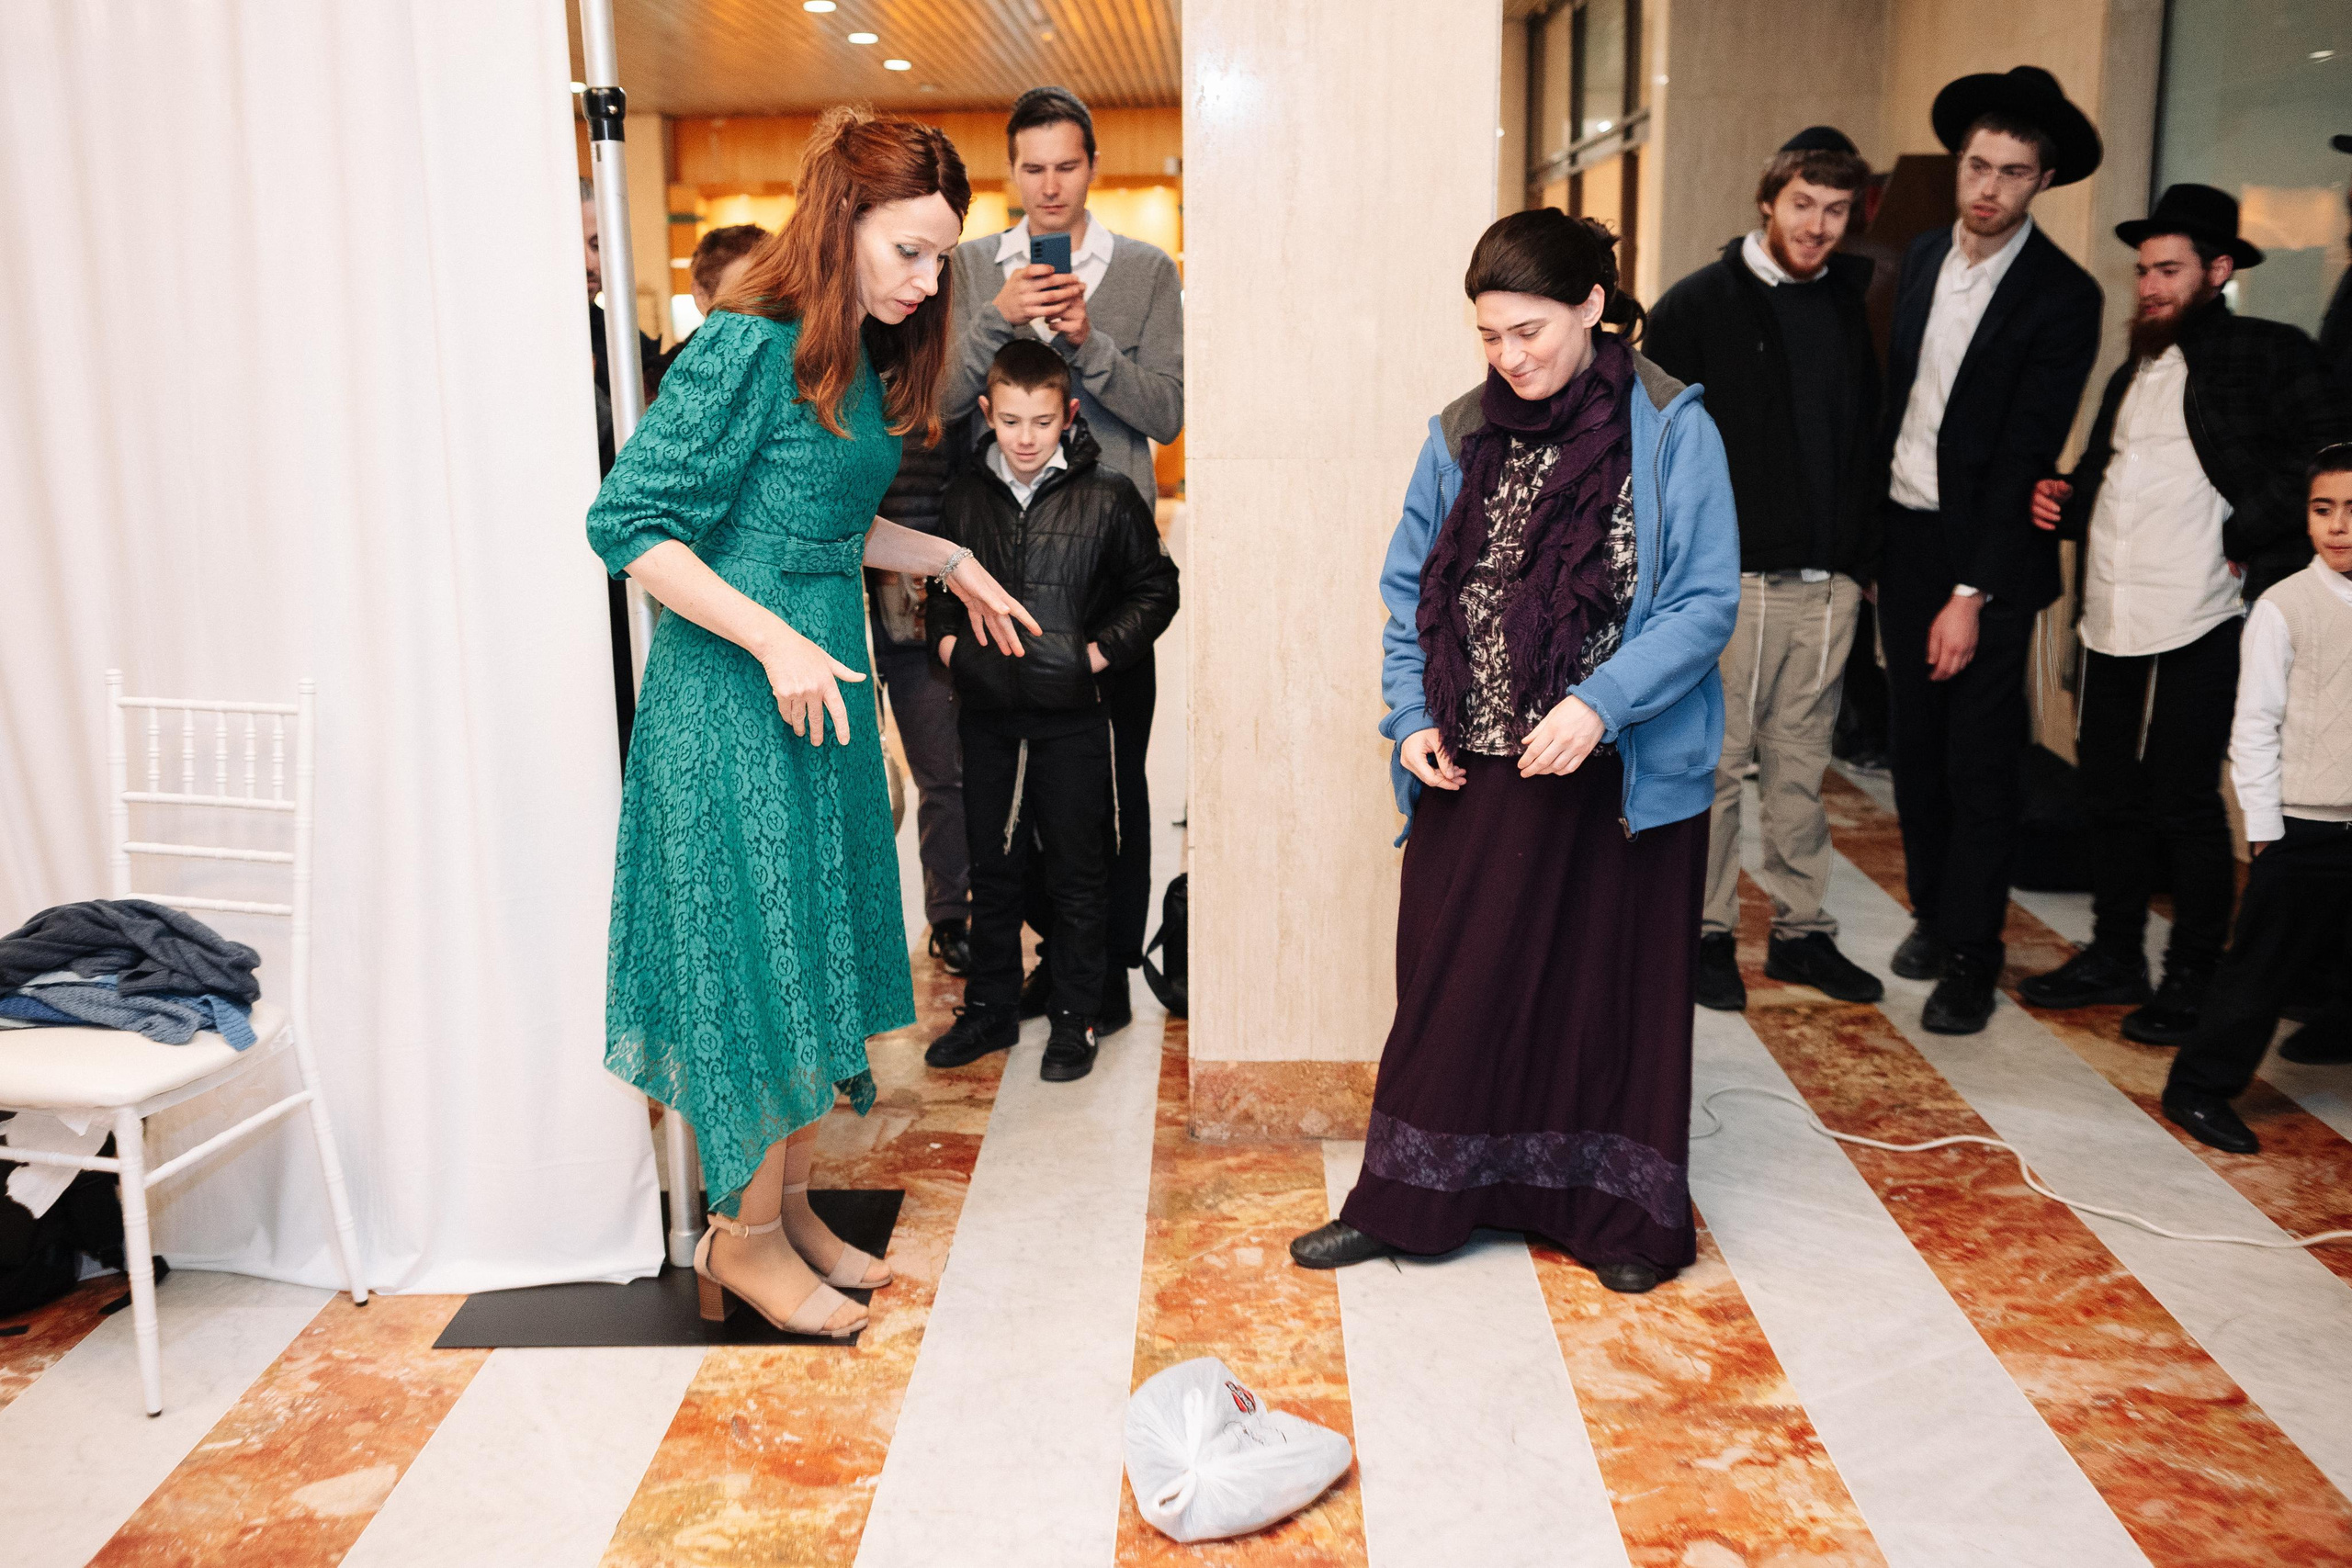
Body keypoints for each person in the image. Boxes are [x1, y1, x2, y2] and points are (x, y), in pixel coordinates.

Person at [586, 109, 1039, 1339]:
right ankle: (737, 1242)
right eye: (908, 251)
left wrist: (947, 558)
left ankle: (784, 1214)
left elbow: (822, 524)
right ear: (842, 225)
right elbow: (627, 524)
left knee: (809, 957)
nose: (928, 280)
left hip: (817, 695)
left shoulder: (851, 354)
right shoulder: (745, 343)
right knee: (756, 966)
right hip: (735, 705)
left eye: (941, 256)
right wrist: (777, 638)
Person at [1288, 209, 1739, 1294]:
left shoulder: (1672, 429)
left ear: (1592, 306)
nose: (1509, 358)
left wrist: (1600, 704)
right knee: (1454, 988)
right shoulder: (1457, 433)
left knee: (1600, 1001)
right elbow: (1410, 594)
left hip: (1615, 776)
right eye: (1490, 336)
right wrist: (1410, 717)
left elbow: (1700, 601)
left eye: (1529, 331)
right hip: (1472, 765)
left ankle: (1615, 1219)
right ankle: (1413, 1200)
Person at [2020, 186, 2349, 1044]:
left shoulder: (2266, 352)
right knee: (2107, 794)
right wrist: (2065, 496)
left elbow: (2327, 454)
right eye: (2143, 272)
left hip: (2205, 615)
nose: (2150, 287)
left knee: (2183, 801)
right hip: (2110, 617)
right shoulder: (2132, 370)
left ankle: (2193, 976)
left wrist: (2246, 528)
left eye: (2168, 270)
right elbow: (2107, 474)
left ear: (2219, 270)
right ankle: (2115, 953)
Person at [943, 86, 1183, 1030]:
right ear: (1011, 171)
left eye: (1067, 166)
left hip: (1105, 574)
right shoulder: (972, 267)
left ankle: (1104, 970)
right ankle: (1056, 958)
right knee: (1009, 783)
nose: (1050, 186)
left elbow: (1165, 413)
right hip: (997, 562)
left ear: (1093, 167)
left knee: (1113, 783)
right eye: (1032, 168)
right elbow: (937, 407)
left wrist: (1090, 344)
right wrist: (994, 321)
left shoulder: (1144, 271)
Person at [1873, 67, 2104, 1035]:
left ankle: (1973, 953)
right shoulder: (1925, 254)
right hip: (1905, 535)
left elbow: (2024, 452)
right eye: (1979, 165)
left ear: (2042, 180)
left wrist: (1969, 591)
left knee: (1980, 762)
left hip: (1988, 559)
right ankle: (1933, 914)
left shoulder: (2064, 295)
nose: (1989, 187)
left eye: (2013, 172)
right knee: (1913, 748)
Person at [1646, 126, 1886, 1012]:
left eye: (1836, 210)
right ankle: (1705, 934)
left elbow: (1865, 438)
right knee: (1717, 765)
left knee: (1801, 766)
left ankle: (1800, 932)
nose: (1818, 226)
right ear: (1767, 200)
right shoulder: (1697, 304)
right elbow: (1657, 451)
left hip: (1827, 585)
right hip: (1731, 583)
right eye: (1803, 205)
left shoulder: (1846, 304)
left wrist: (1860, 564)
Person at [922, 340, 1180, 1082]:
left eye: (1041, 421)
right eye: (1010, 421)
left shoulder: (1109, 496)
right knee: (994, 868)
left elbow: (1156, 589)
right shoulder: (964, 498)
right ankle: (990, 1008)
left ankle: (1076, 1015)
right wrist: (954, 653)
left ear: (1067, 415)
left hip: (1074, 718)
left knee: (1078, 869)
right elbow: (939, 600)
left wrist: (1092, 657)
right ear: (986, 413)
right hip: (989, 716)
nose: (1026, 438)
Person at [2160, 447, 2352, 1154]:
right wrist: (2265, 825)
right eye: (2323, 509)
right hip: (2303, 822)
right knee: (2260, 967)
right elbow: (2254, 723)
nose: (2337, 525)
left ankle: (2336, 1029)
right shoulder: (2284, 607)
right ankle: (2197, 1085)